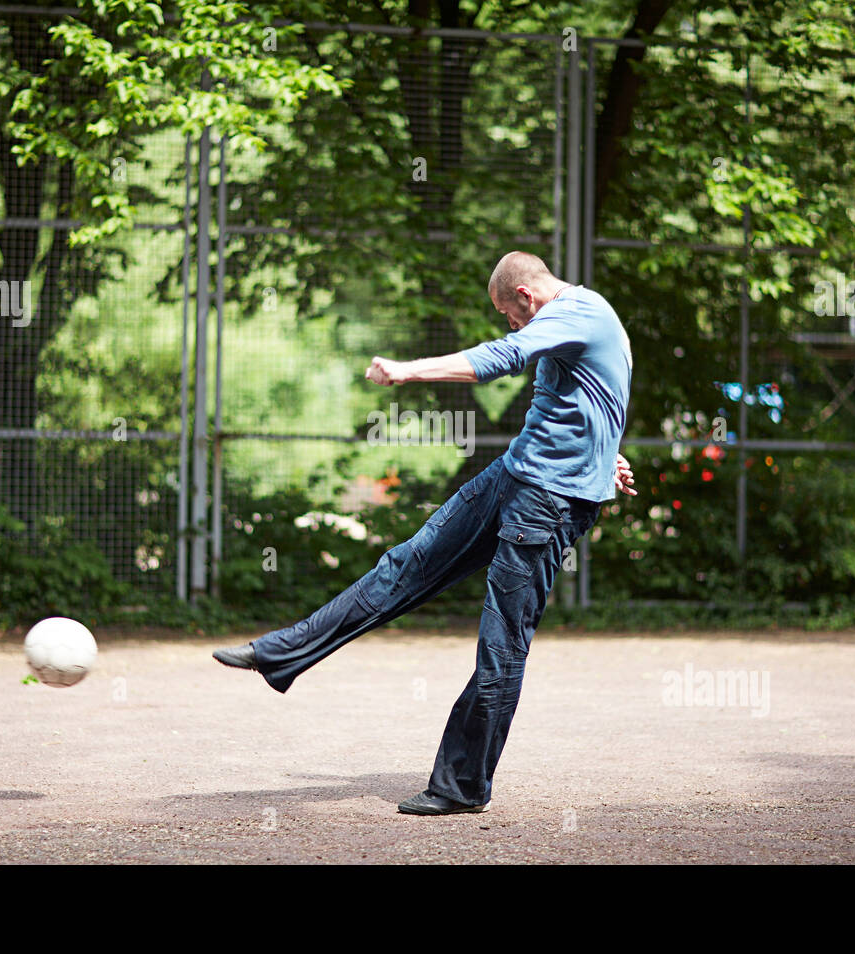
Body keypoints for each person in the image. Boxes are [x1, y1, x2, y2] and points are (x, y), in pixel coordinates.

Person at [213, 250, 636, 815]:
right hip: (512, 475)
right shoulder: (581, 321)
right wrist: (605, 455)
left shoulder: (577, 312)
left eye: (509, 314)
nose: (510, 324)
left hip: (548, 503)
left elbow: (502, 357)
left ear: (526, 298)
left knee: (501, 643)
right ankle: (279, 654)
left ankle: (463, 787)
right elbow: (588, 398)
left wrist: (408, 371)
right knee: (404, 565)